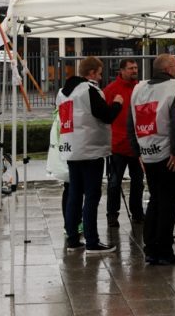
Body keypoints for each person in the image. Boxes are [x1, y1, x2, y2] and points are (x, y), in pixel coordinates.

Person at [58, 56, 123, 254]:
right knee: (92, 196)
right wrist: (118, 103)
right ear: (92, 73)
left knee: (74, 194)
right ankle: (92, 241)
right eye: (100, 73)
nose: (101, 77)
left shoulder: (63, 92)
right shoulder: (89, 90)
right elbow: (106, 115)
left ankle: (72, 239)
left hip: (72, 149)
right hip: (90, 149)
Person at [128, 54, 175, 265]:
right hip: (168, 156)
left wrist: (138, 152)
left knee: (155, 201)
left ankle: (150, 248)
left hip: (148, 154)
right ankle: (164, 250)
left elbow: (130, 122)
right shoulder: (174, 88)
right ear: (168, 68)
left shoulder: (138, 89)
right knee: (168, 205)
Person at [104, 58, 144, 227]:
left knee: (138, 182)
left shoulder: (141, 87)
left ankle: (137, 213)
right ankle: (112, 214)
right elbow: (105, 115)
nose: (134, 70)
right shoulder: (111, 90)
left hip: (136, 144)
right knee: (114, 183)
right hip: (118, 145)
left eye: (135, 67)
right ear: (121, 70)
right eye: (130, 68)